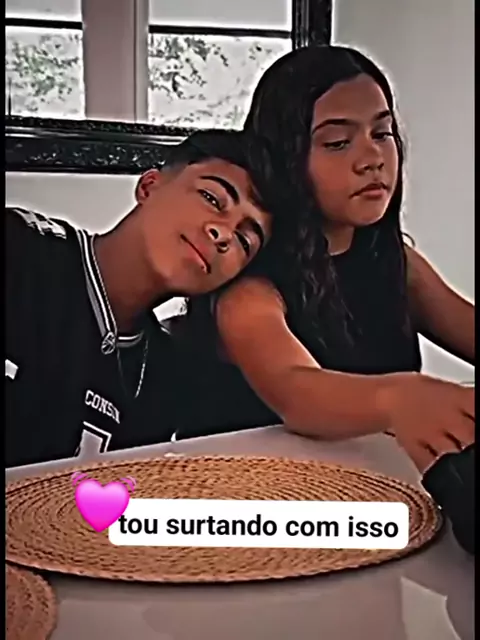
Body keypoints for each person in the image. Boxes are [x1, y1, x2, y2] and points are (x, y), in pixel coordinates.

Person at [170, 45, 474, 476]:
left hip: (378, 489)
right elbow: (296, 391)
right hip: (255, 496)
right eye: (337, 142)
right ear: (286, 159)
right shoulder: (251, 285)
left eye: (382, 133)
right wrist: (399, 398)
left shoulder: (395, 262)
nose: (372, 159)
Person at [5, 129, 279, 468]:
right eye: (211, 198)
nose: (223, 234)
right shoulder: (20, 248)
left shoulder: (164, 381)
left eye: (244, 240)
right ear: (149, 186)